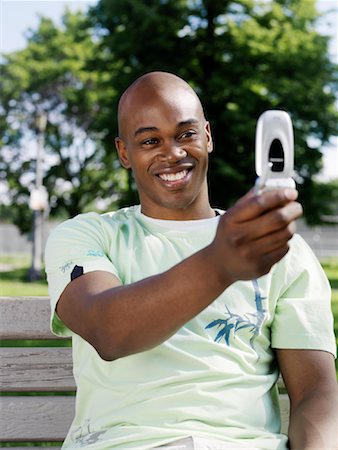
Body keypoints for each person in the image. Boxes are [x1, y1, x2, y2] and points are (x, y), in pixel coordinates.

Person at [45, 71, 337, 450]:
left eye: (186, 134)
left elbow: (316, 391)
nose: (173, 152)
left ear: (208, 136)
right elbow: (108, 331)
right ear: (124, 153)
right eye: (150, 140)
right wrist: (221, 263)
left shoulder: (281, 249)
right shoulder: (86, 235)